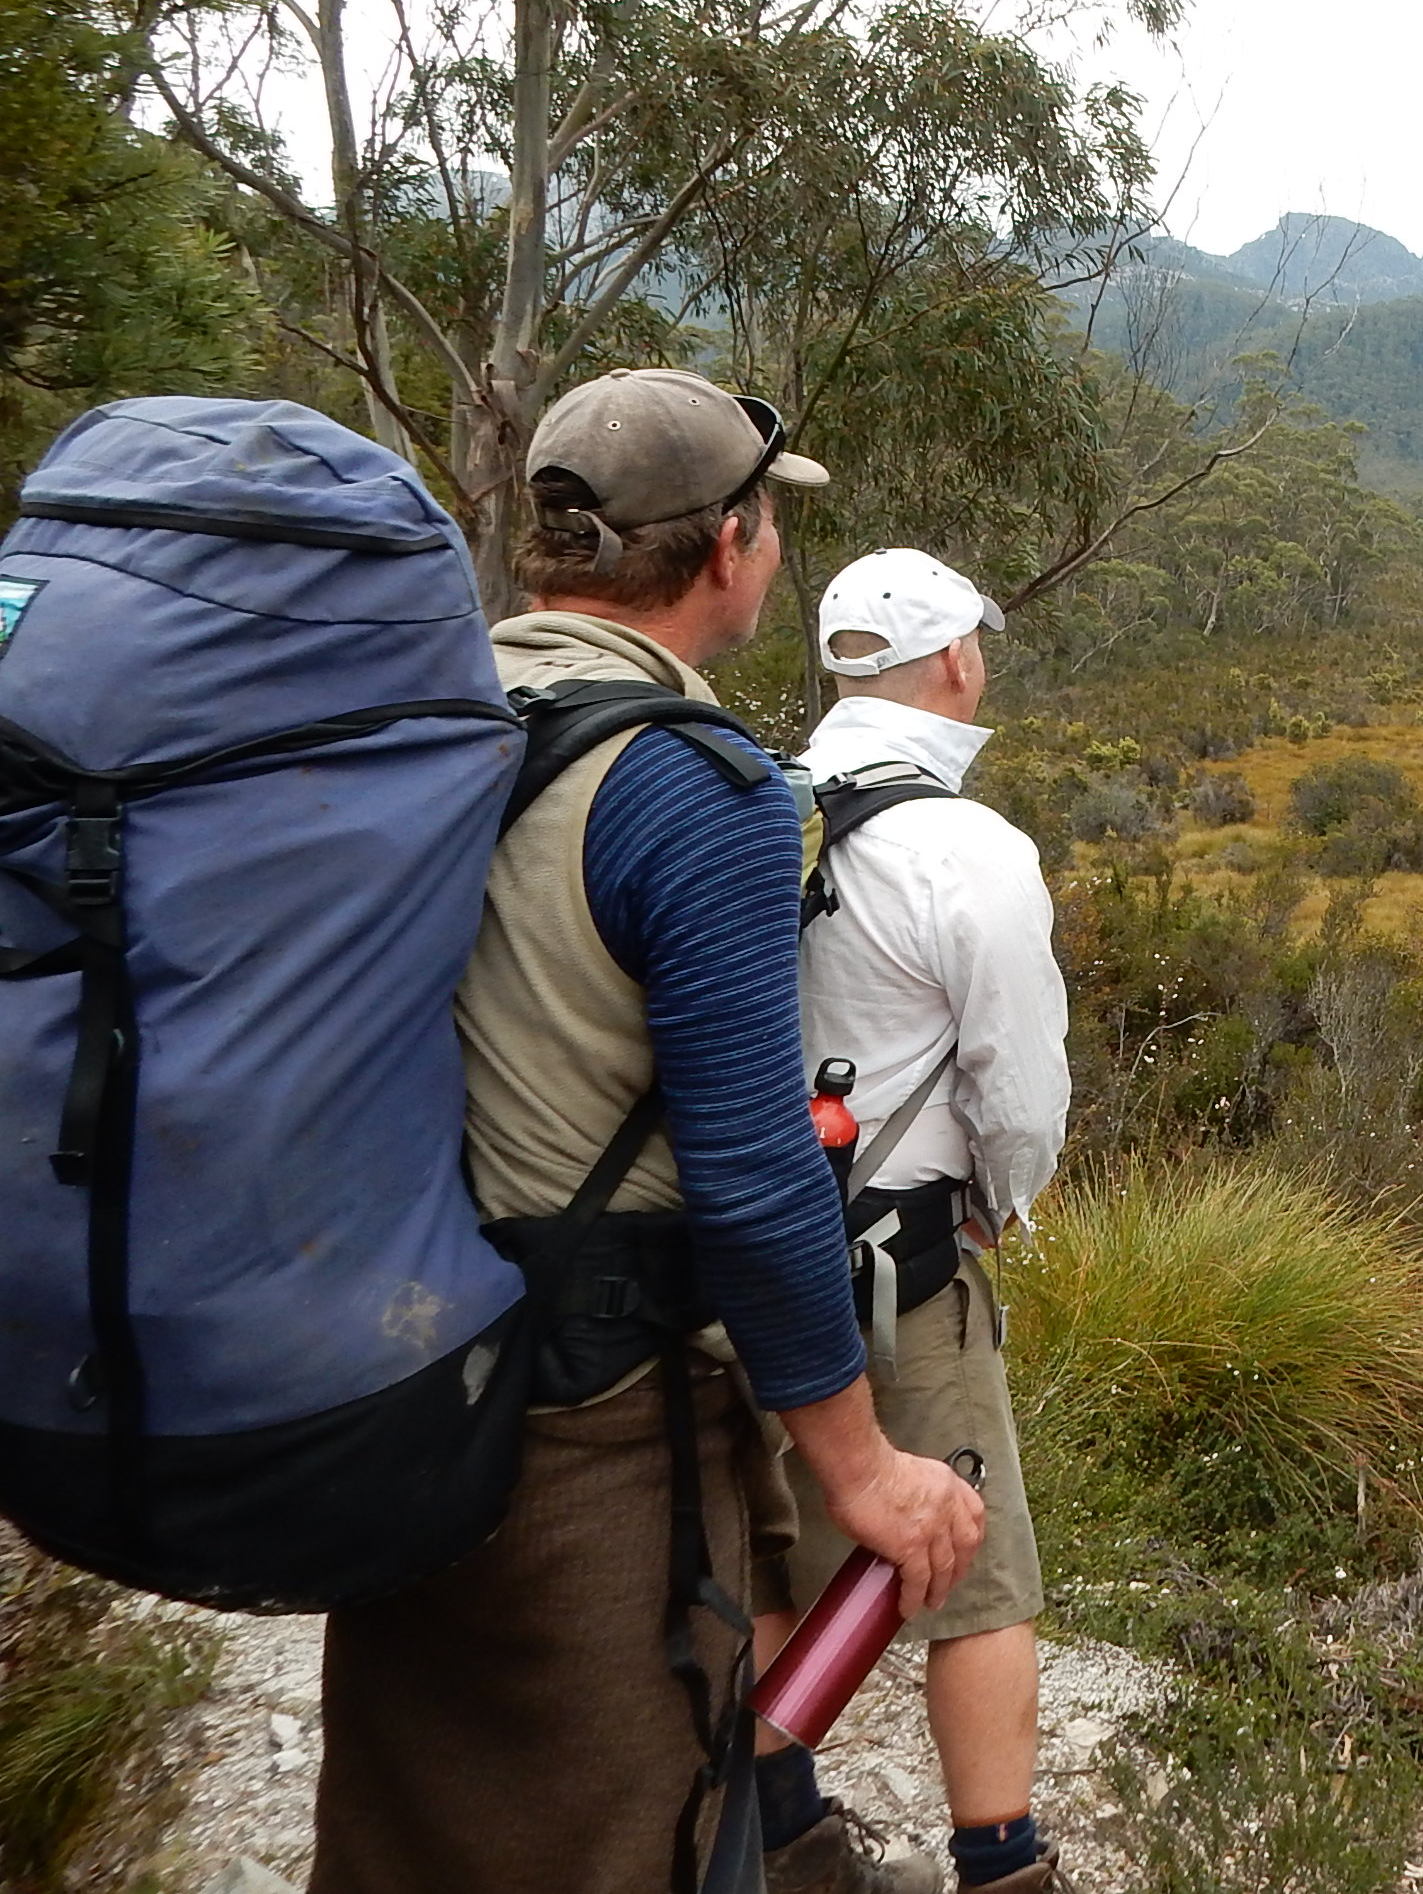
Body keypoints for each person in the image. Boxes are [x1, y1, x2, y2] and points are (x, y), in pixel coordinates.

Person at [313, 371, 983, 1894]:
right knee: (631, 1832)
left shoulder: (428, 718)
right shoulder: (699, 790)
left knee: (403, 1821)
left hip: (394, 1372)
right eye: (770, 525)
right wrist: (863, 1466)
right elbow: (750, 1178)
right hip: (585, 1424)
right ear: (733, 544)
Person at [764, 549, 1073, 1894]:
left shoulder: (758, 803)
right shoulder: (969, 850)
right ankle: (1001, 1863)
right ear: (955, 661)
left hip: (741, 1242)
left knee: (772, 1534)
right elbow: (1019, 1084)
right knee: (978, 1568)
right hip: (904, 1260)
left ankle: (779, 1833)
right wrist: (1006, 1199)